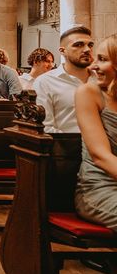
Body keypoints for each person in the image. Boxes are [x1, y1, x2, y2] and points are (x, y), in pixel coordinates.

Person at [74, 33, 117, 231]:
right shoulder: (89, 93)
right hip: (100, 188)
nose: (92, 66)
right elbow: (100, 156)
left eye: (103, 59)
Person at [34, 26, 94, 133]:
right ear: (62, 51)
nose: (87, 49)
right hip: (67, 145)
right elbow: (45, 127)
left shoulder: (100, 79)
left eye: (90, 45)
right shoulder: (45, 82)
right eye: (78, 45)